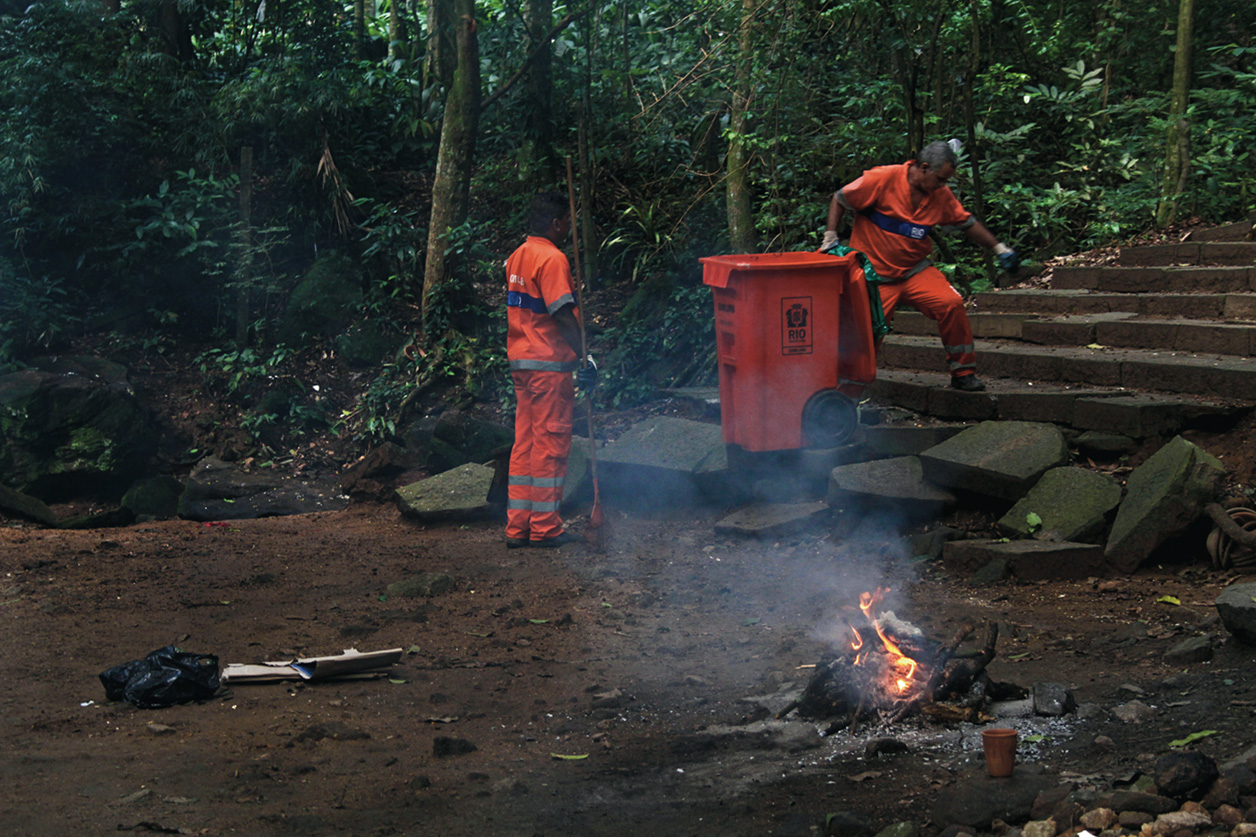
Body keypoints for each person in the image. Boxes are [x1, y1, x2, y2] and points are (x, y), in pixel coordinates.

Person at [822, 140, 1018, 392]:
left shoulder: (939, 195)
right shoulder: (883, 179)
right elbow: (840, 198)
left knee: (951, 303)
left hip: (914, 270)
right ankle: (846, 395)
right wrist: (830, 237)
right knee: (866, 333)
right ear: (924, 168)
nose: (943, 185)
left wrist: (1000, 248)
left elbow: (966, 222)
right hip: (874, 277)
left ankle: (963, 372)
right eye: (940, 179)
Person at [504, 191, 596, 548]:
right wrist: (585, 356)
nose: (570, 228)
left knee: (525, 444)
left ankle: (518, 527)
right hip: (548, 365)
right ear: (556, 224)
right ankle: (544, 528)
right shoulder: (553, 259)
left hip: (522, 362)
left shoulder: (517, 256)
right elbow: (560, 312)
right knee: (549, 444)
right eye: (567, 222)